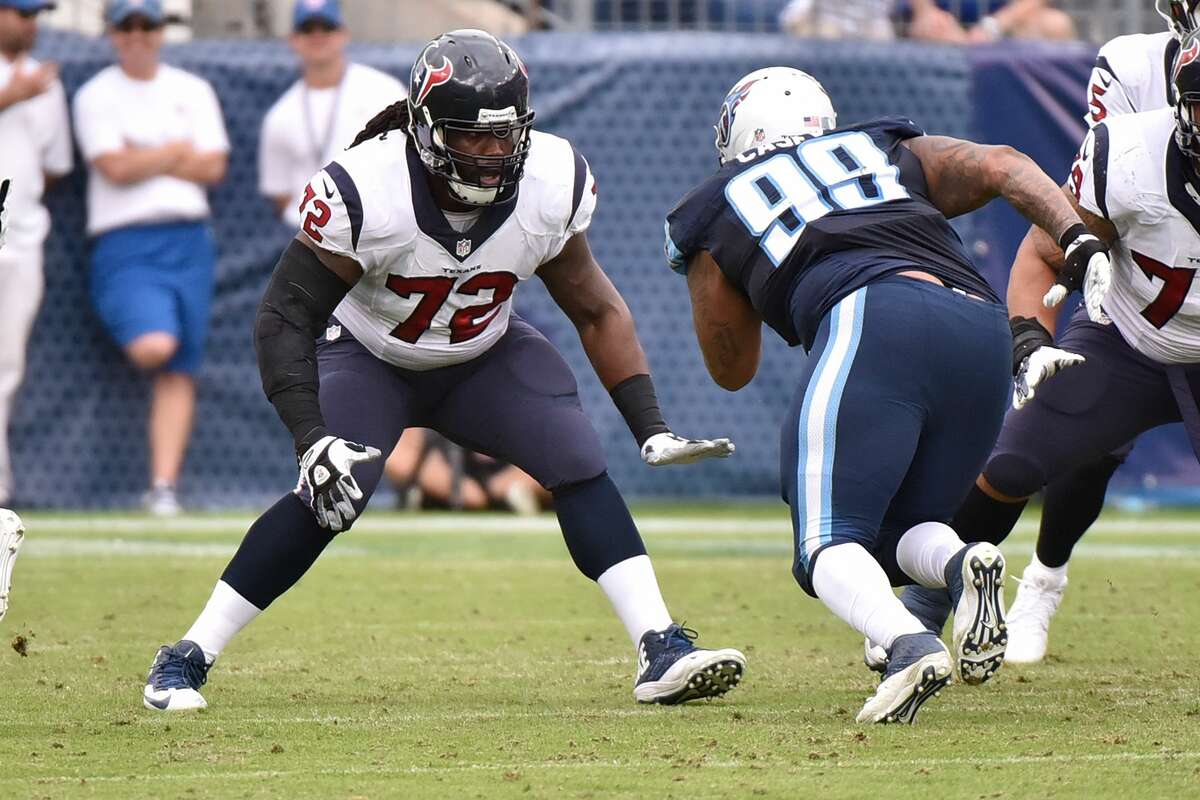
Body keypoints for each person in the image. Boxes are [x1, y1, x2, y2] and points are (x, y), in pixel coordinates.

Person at [142, 29, 743, 712]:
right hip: (372, 356)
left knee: (576, 458)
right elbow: (283, 318)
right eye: (470, 136)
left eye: (504, 136)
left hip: (482, 354)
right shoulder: (369, 188)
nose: (492, 154)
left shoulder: (550, 180)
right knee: (332, 496)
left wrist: (649, 424)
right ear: (426, 130)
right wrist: (311, 438)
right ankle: (186, 656)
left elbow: (596, 308)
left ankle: (660, 646)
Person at [665, 67, 1108, 723]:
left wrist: (714, 267)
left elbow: (733, 369)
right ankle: (963, 565)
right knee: (892, 533)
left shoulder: (717, 204)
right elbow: (1003, 165)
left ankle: (907, 645)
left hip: (874, 314)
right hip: (979, 327)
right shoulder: (877, 148)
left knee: (823, 544)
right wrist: (1077, 238)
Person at [869, 0, 1200, 674]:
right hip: (1128, 335)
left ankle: (1041, 581)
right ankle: (922, 612)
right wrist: (1029, 342)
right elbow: (1045, 255)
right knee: (1014, 465)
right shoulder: (1128, 150)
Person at [73, 0, 229, 515]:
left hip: (188, 238)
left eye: (148, 24)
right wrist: (174, 151)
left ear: (163, 31)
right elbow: (113, 167)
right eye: (127, 25)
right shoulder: (96, 94)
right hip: (126, 241)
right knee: (154, 346)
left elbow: (212, 167)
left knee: (180, 368)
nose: (138, 35)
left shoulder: (193, 89)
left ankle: (163, 487)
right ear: (113, 33)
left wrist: (145, 154)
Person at [0, 0, 71, 508]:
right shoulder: (25, 84)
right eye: (19, 12)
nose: (29, 24)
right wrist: (9, 97)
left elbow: (53, 165)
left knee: (6, 364)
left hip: (19, 237)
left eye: (34, 14)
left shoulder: (45, 81)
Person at [259, 0, 406, 230]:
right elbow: (279, 192)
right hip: (310, 235)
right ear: (293, 40)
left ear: (343, 34)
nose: (318, 36)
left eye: (326, 27)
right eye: (307, 29)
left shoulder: (384, 91)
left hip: (377, 227)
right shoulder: (280, 115)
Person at [385, 429, 550, 514]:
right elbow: (396, 456)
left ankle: (513, 491)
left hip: (512, 468)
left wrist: (502, 486)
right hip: (442, 460)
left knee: (559, 454)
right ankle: (428, 493)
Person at [904, 0, 1074, 42]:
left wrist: (996, 25)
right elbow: (924, 12)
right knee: (930, 27)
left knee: (1056, 24)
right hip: (945, 22)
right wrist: (925, 11)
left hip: (1007, 23)